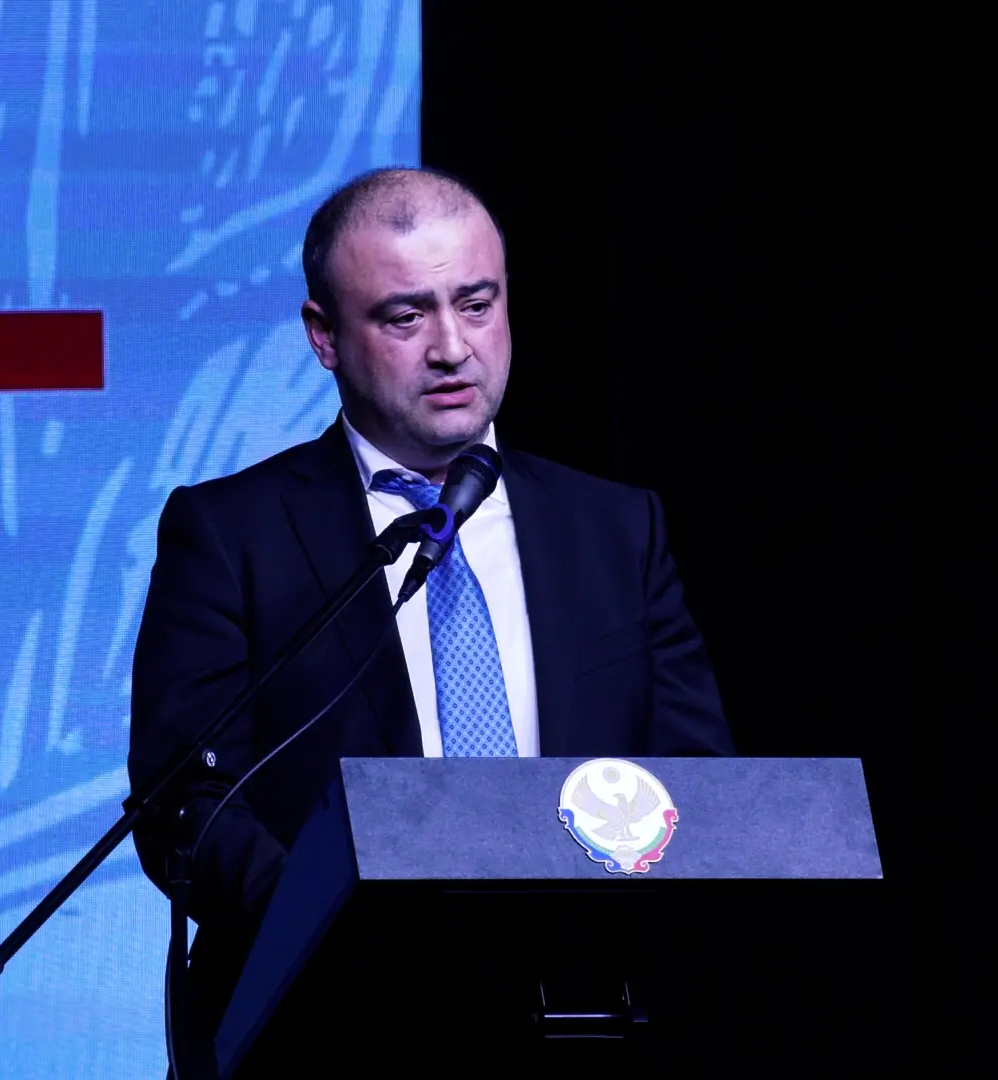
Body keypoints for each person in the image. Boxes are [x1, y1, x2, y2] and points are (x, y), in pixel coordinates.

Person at [126, 167, 734, 1055]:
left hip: (586, 1016)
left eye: (477, 305)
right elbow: (187, 801)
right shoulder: (230, 534)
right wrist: (329, 933)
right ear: (324, 337)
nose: (453, 347)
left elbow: (695, 784)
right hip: (332, 1027)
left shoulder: (615, 528)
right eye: (405, 317)